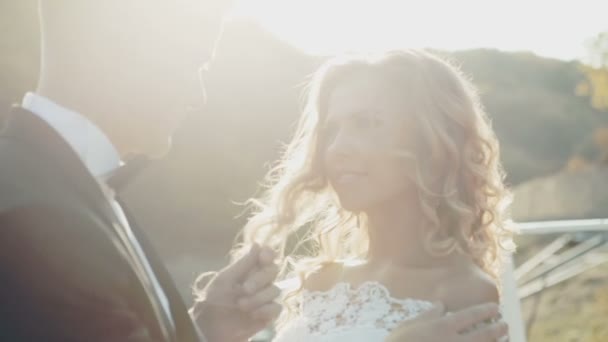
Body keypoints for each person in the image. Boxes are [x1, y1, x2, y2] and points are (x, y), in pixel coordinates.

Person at [0, 1, 280, 341]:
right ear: (117, 48)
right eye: (195, 64)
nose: (198, 97)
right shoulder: (42, 219)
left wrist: (202, 330)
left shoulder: (59, 187)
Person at [233, 49, 513, 341]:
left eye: (366, 123)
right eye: (331, 130)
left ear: (430, 141)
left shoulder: (463, 291)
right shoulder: (321, 282)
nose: (337, 148)